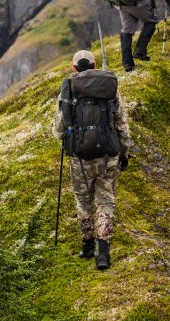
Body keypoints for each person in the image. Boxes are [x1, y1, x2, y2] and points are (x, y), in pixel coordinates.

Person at [52, 49, 132, 270]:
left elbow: (59, 130)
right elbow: (121, 126)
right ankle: (103, 253)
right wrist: (124, 152)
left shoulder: (68, 91)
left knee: (83, 201)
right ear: (95, 66)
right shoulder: (110, 90)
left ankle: (87, 247)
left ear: (74, 68)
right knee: (106, 201)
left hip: (79, 158)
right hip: (108, 156)